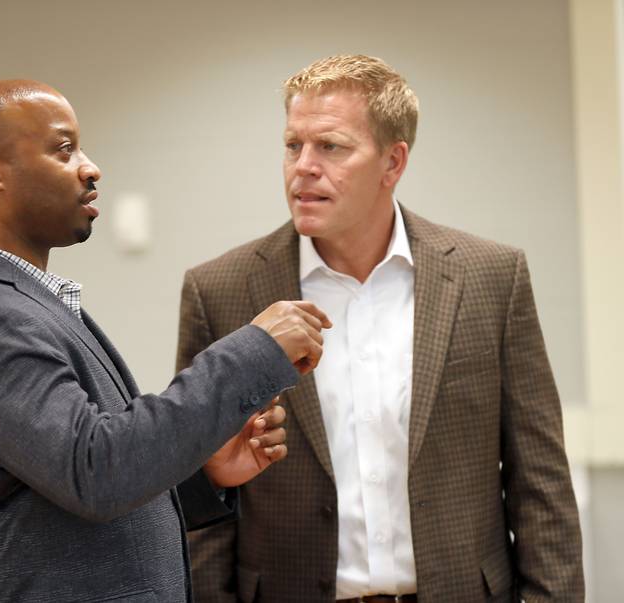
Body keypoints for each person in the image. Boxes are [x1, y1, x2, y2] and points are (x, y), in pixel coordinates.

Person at [0, 79, 331, 603]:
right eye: (64, 149)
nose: (90, 167)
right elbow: (95, 471)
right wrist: (253, 354)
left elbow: (68, 486)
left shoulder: (19, 302)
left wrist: (201, 474)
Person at [176, 55, 583, 602]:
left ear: (393, 163)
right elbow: (201, 494)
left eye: (331, 147)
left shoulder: (492, 277)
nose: (304, 167)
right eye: (293, 145)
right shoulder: (220, 291)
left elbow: (542, 483)